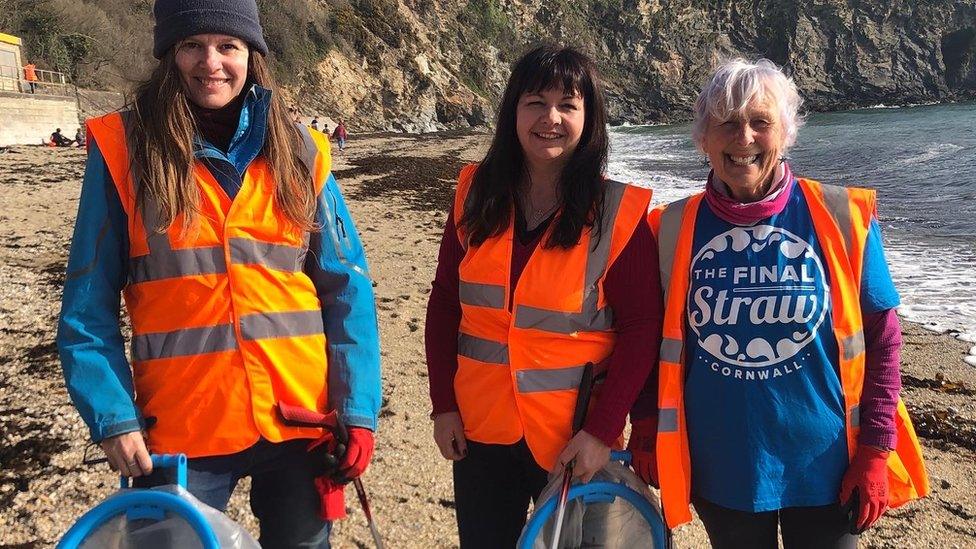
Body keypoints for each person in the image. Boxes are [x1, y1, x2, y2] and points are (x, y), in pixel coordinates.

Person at [56, 1, 382, 546]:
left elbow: (346, 287)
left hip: (300, 421)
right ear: (168, 55)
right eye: (192, 45)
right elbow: (87, 303)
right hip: (180, 429)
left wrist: (357, 407)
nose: (212, 62)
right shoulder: (122, 150)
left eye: (228, 46)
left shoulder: (302, 151)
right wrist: (112, 416)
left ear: (252, 56)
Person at [634, 58, 929, 549]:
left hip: (827, 466)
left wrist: (876, 450)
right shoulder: (667, 229)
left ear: (786, 133)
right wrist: (644, 422)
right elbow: (646, 335)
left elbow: (882, 340)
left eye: (760, 122)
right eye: (726, 122)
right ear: (704, 137)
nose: (743, 138)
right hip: (721, 465)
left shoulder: (841, 215)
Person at [425, 45, 663, 548]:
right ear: (513, 110)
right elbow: (445, 302)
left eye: (567, 105)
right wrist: (442, 405)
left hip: (573, 438)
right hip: (480, 429)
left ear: (589, 118)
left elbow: (643, 328)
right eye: (535, 101)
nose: (550, 118)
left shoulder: (618, 214)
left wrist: (602, 430)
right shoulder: (473, 195)